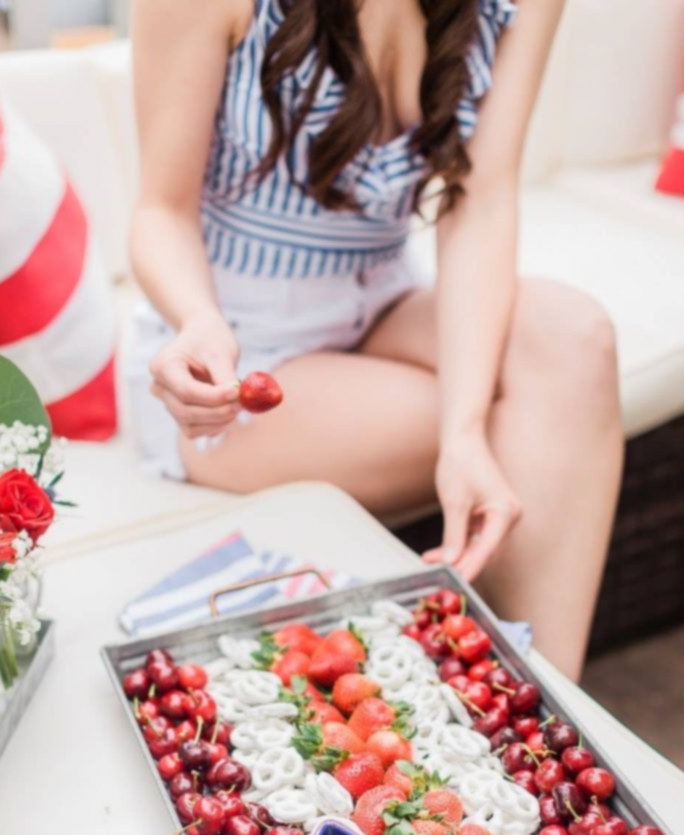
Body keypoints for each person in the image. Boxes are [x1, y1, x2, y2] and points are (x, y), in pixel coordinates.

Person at [128, 0, 623, 680]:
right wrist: (197, 320)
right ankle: (509, 685)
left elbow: (479, 198)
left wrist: (466, 426)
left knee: (572, 339)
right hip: (239, 343)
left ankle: (550, 703)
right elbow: (160, 212)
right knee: (532, 423)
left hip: (385, 299)